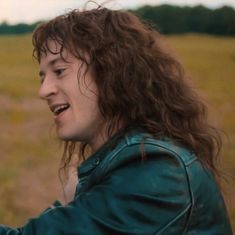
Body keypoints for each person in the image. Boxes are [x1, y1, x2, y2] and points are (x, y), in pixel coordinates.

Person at [0, 5, 233, 235]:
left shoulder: (156, 171)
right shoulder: (134, 163)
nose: (44, 90)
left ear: (110, 73)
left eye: (59, 71)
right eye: (43, 77)